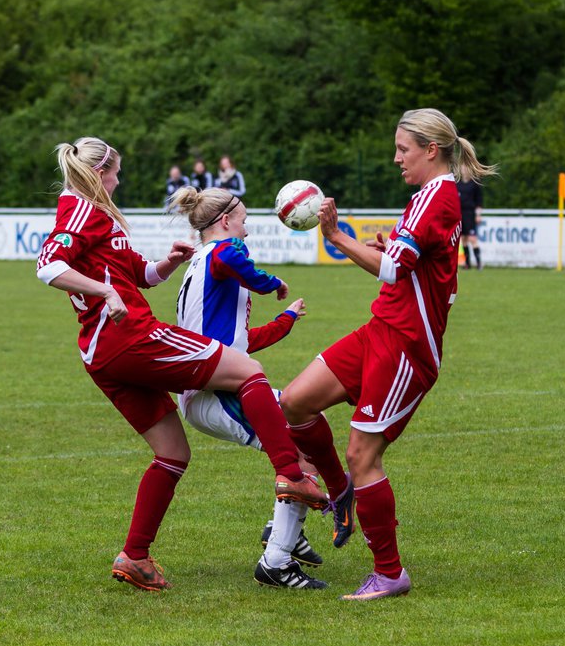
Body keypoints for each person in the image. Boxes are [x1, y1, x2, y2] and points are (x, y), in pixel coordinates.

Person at [34, 136, 326, 591]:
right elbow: (48, 265)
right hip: (128, 337)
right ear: (98, 172)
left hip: (102, 355)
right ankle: (291, 474)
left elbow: (141, 276)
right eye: (115, 173)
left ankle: (135, 556)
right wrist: (106, 292)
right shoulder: (80, 208)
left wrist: (167, 264)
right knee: (247, 369)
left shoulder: (100, 218)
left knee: (173, 453)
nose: (118, 180)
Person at [280, 108, 497, 601]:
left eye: (404, 149)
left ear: (431, 150)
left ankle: (389, 572)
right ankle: (339, 492)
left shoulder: (435, 198)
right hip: (381, 329)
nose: (397, 158)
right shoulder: (429, 197)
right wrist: (387, 251)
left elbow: (395, 270)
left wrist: (338, 238)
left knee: (363, 454)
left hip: (406, 347)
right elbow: (410, 264)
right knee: (293, 401)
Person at [168, 184, 328, 589]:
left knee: (307, 422)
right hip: (216, 394)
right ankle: (276, 560)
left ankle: (284, 531)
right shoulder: (223, 252)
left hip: (214, 385)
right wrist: (273, 282)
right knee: (300, 456)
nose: (247, 231)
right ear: (224, 222)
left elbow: (241, 342)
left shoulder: (204, 264)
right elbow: (236, 257)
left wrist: (287, 319)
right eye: (244, 220)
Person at [455, 176, 483, 269]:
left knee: (472, 238)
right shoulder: (457, 184)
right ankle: (467, 263)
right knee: (463, 239)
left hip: (470, 214)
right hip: (460, 213)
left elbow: (479, 201)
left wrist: (478, 215)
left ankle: (479, 263)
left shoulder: (474, 184)